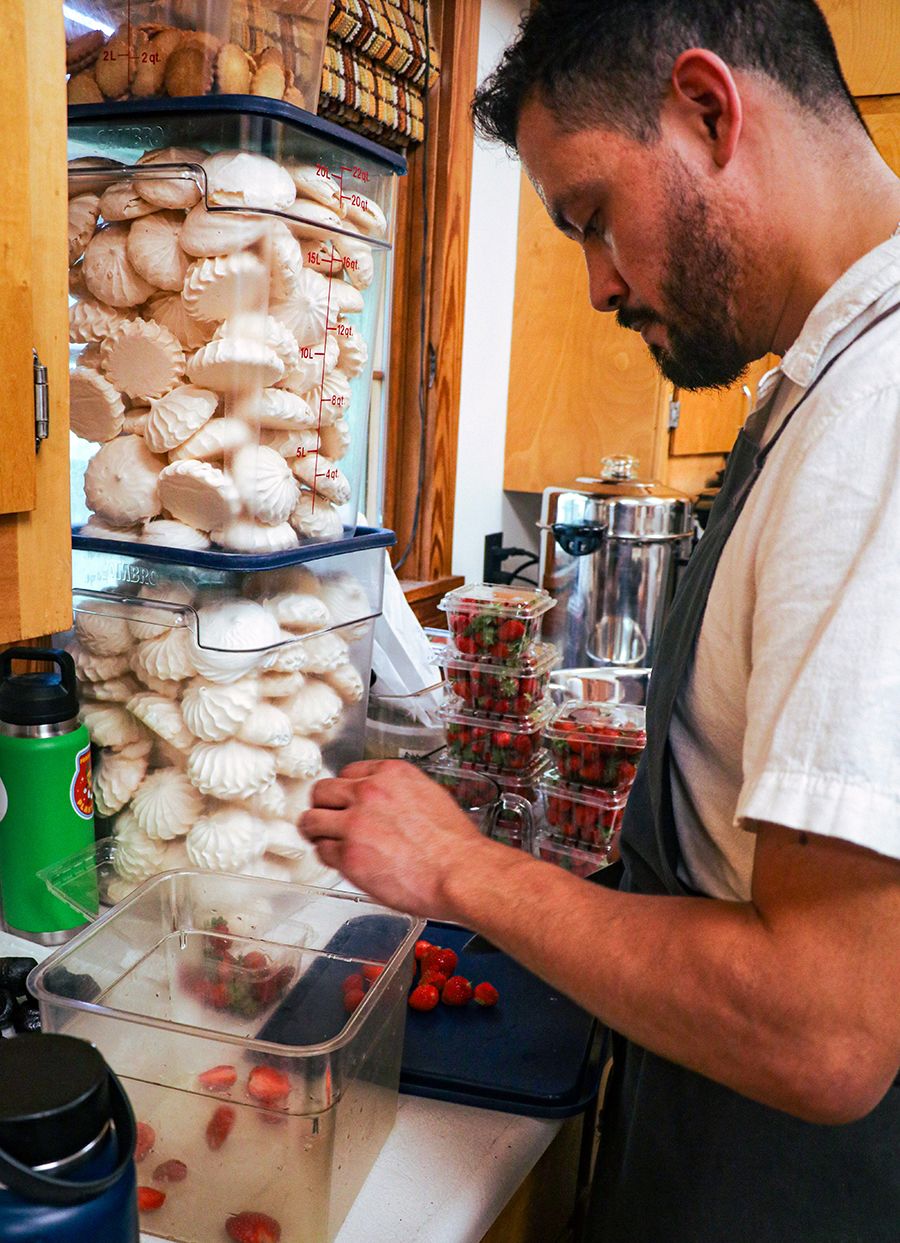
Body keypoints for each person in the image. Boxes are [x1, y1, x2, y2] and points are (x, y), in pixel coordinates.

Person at [300, 2, 900, 1239]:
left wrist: (460, 868)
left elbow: (824, 1025)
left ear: (707, 109)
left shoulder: (879, 419)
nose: (598, 284)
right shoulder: (824, 376)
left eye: (589, 217)